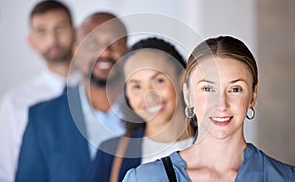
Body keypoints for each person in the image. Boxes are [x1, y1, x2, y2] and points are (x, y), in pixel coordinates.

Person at [122, 36, 295, 181]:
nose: (221, 104)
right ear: (188, 95)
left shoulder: (286, 177)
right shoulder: (144, 178)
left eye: (235, 89)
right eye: (207, 89)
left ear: (253, 96)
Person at [15, 12, 128, 182]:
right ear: (76, 50)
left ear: (127, 50)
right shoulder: (42, 118)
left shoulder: (147, 113)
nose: (104, 52)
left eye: (115, 42)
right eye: (93, 43)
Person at [88, 37, 196, 182]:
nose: (149, 97)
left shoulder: (220, 145)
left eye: (159, 81)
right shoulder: (110, 155)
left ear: (182, 78)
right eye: (136, 86)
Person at [0, 0, 75, 182]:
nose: (52, 39)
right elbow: (2, 172)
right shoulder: (14, 102)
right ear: (31, 41)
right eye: (42, 31)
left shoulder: (97, 93)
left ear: (75, 33)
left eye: (60, 28)